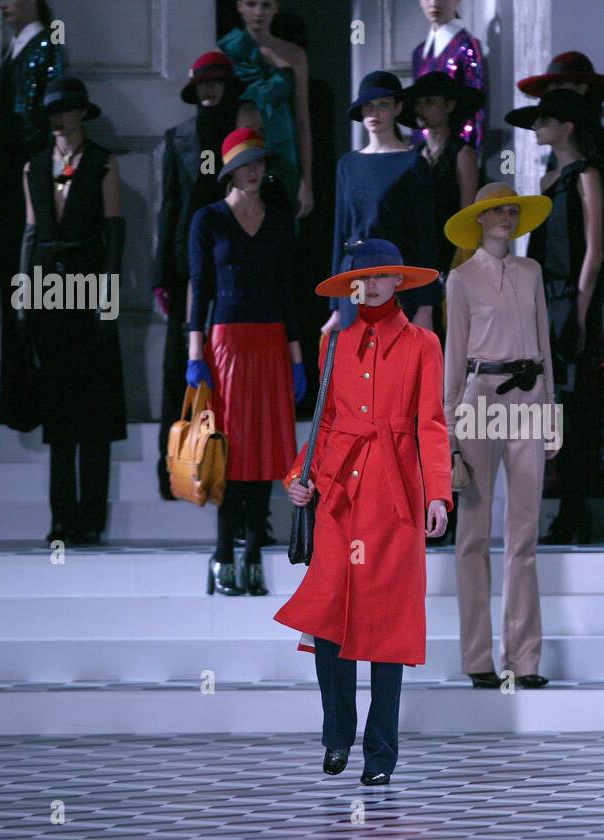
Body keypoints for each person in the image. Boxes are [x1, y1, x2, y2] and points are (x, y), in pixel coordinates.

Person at [276, 239, 451, 786]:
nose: (369, 287)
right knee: (329, 618)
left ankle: (381, 754)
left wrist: (438, 494)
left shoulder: (423, 343)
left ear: (398, 281)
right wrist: (299, 478)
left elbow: (431, 423)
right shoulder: (336, 343)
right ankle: (336, 735)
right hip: (337, 494)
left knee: (388, 627)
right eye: (361, 278)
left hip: (394, 496)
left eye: (380, 277)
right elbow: (324, 423)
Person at [442, 182, 555, 688]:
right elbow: (454, 353)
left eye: (512, 211)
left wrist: (550, 412)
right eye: (497, 212)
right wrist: (447, 425)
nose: (506, 218)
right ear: (480, 220)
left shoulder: (531, 273)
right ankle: (477, 658)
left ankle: (525, 659)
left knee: (524, 532)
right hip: (479, 396)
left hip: (529, 395)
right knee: (472, 535)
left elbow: (547, 346)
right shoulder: (461, 279)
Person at [187, 129, 305, 595]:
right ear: (230, 170)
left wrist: (297, 359)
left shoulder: (279, 221)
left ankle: (254, 550)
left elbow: (287, 291)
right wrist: (195, 354)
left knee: (266, 448)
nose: (255, 169)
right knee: (228, 448)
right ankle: (222, 552)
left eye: (260, 161)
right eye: (246, 162)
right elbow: (199, 287)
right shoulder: (208, 219)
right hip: (227, 343)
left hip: (271, 342)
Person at [508, 89, 604, 544]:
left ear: (567, 126)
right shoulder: (549, 177)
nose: (537, 128)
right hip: (543, 297)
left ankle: (576, 510)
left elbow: (594, 252)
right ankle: (561, 508)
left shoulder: (588, 174)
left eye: (545, 120)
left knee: (577, 404)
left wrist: (577, 311)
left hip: (572, 300)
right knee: (547, 405)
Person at [21, 77, 126, 545]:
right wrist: (25, 295)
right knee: (60, 410)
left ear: (82, 112)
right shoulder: (35, 166)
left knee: (95, 410)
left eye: (66, 109)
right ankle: (61, 518)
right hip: (48, 288)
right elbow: (29, 235)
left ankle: (91, 518)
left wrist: (108, 302)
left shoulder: (103, 164)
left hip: (88, 283)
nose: (58, 118)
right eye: (52, 110)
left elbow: (114, 237)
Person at [153, 52, 240, 500]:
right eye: (202, 84)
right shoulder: (179, 138)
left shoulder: (242, 135)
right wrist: (160, 275)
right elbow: (168, 208)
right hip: (188, 264)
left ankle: (228, 468)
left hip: (233, 262)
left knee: (230, 367)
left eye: (216, 83)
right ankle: (174, 466)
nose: (209, 90)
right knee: (178, 368)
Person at [0, 0, 65, 427]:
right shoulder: (14, 46)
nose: (2, 4)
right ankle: (16, 396)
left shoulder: (46, 43)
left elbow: (42, 115)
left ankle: (33, 398)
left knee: (30, 286)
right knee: (14, 286)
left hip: (29, 177)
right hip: (11, 178)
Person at [324, 71, 440, 333]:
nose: (374, 112)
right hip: (353, 283)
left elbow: (426, 237)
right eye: (368, 105)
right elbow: (340, 236)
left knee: (394, 368)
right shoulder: (348, 165)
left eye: (383, 104)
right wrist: (335, 306)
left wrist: (426, 306)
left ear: (398, 108)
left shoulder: (413, 164)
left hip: (397, 283)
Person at [217, 0, 313, 217]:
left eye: (266, 5)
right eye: (251, 4)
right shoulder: (226, 51)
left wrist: (306, 180)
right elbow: (212, 120)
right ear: (239, 6)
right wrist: (208, 170)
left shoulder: (294, 54)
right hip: (240, 152)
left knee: (281, 232)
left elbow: (303, 121)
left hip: (284, 154)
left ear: (276, 7)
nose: (259, 12)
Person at [399, 70, 482, 312]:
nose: (421, 108)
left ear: (449, 106)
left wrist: (462, 264)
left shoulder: (462, 154)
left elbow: (468, 216)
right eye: (418, 102)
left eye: (430, 101)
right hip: (417, 253)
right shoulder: (414, 155)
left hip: (448, 254)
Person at [412, 0, 485, 151]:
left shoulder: (466, 46)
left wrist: (468, 153)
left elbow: (475, 108)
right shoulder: (419, 52)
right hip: (423, 151)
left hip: (454, 152)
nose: (434, 3)